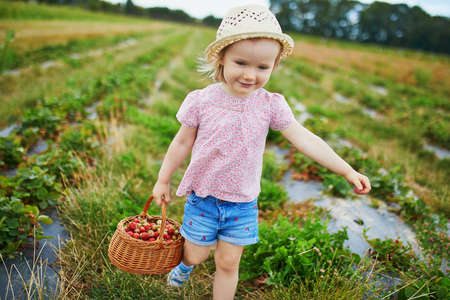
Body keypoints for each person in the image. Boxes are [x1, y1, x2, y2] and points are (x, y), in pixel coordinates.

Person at [152, 4, 371, 299]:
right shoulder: (201, 101)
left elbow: (305, 138)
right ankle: (185, 267)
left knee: (228, 263)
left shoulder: (270, 105)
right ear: (222, 58)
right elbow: (181, 143)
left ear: (274, 66)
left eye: (262, 67)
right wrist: (163, 179)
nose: (250, 75)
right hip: (203, 197)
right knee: (195, 255)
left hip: (241, 203)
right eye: (241, 63)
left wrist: (347, 169)